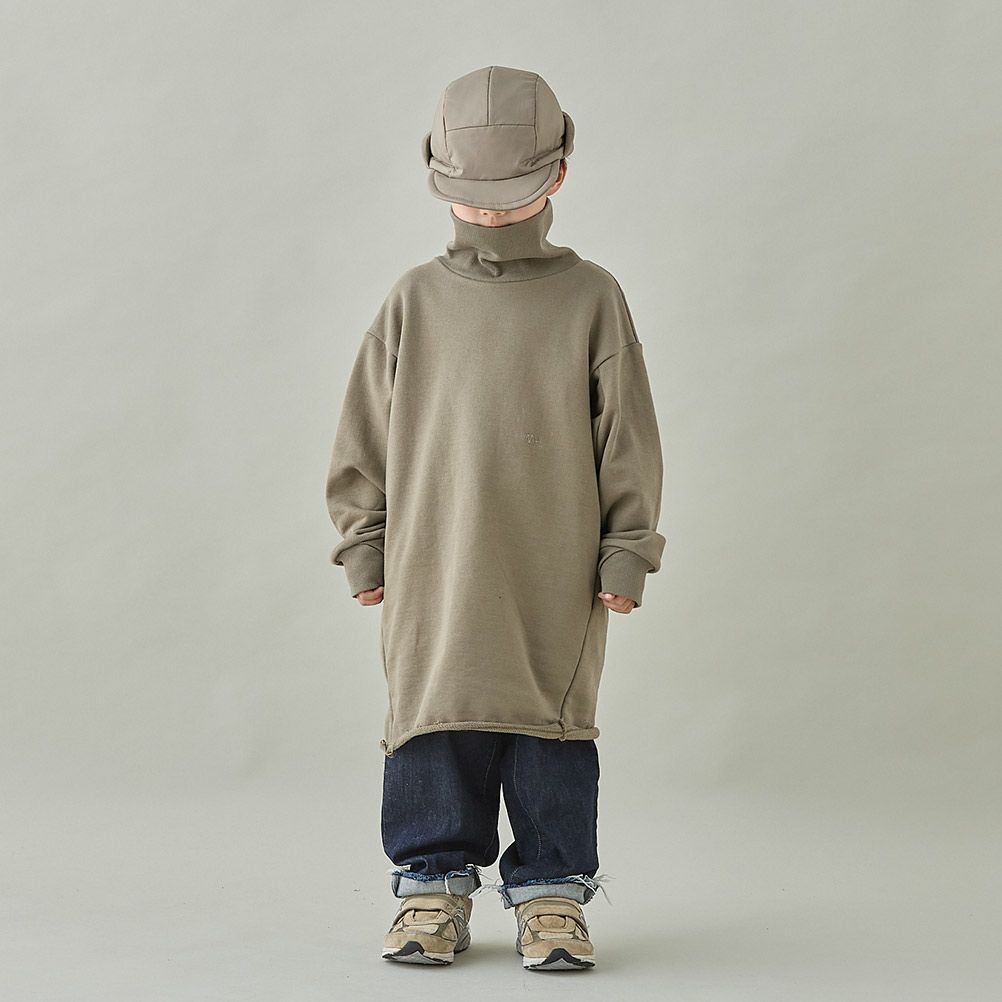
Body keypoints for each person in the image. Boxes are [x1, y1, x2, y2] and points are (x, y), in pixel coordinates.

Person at [325, 64, 666, 971]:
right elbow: (362, 436)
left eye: (508, 188)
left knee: (550, 723)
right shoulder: (413, 300)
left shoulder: (592, 299)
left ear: (558, 176)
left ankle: (552, 893)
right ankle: (431, 884)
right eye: (473, 190)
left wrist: (627, 551)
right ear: (436, 178)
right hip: (431, 564)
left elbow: (628, 437)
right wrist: (363, 546)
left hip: (554, 564)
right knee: (432, 716)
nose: (490, 208)